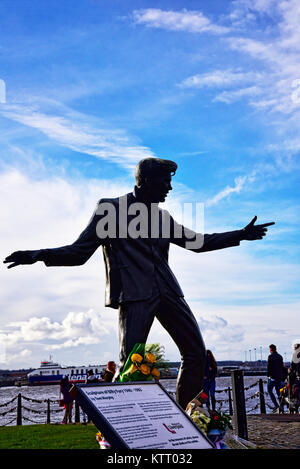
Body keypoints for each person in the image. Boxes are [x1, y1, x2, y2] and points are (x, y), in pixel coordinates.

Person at [3, 157, 275, 410]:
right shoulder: (110, 209)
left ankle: (187, 419)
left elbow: (198, 243)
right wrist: (39, 255)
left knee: (195, 354)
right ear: (144, 181)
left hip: (168, 291)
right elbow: (79, 252)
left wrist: (240, 234)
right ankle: (123, 427)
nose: (170, 187)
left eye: (171, 181)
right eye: (165, 181)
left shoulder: (162, 217)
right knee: (129, 364)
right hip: (134, 295)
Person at [267, 344, 284, 412]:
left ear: (271, 349)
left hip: (272, 377)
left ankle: (276, 405)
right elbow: (282, 367)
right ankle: (281, 406)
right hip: (279, 377)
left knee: (269, 390)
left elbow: (269, 367)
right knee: (278, 392)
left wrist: (268, 375)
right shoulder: (280, 356)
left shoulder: (270, 356)